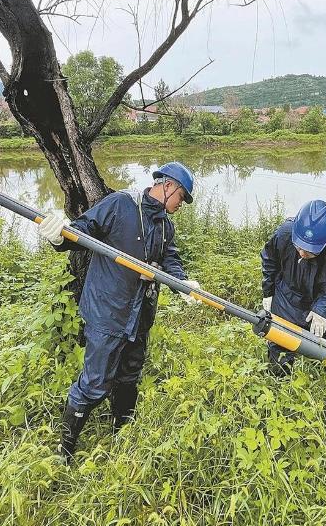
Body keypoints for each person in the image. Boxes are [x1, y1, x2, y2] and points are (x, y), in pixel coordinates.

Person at [38, 162, 200, 462]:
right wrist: (60, 235)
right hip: (109, 311)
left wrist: (182, 282)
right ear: (167, 187)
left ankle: (122, 434)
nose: (181, 205)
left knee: (129, 375)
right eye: (181, 198)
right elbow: (81, 232)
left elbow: (170, 260)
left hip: (139, 316)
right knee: (95, 381)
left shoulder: (165, 225)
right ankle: (66, 451)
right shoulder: (120, 205)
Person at [261, 199, 326, 376]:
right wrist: (268, 292)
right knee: (280, 348)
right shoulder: (284, 234)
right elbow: (270, 261)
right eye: (299, 246)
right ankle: (280, 379)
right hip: (286, 298)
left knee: (320, 349)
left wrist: (325, 306)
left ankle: (319, 382)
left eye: (310, 251)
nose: (302, 253)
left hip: (319, 304)